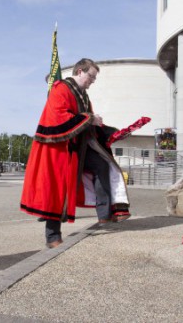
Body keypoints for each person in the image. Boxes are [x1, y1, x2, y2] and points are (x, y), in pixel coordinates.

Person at [20, 58, 130, 248]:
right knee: (57, 188)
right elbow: (58, 118)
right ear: (80, 71)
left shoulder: (84, 97)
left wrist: (113, 132)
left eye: (94, 78)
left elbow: (91, 125)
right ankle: (52, 237)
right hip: (58, 148)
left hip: (80, 147)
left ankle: (105, 216)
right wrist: (89, 118)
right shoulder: (61, 88)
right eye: (91, 76)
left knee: (103, 165)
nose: (92, 81)